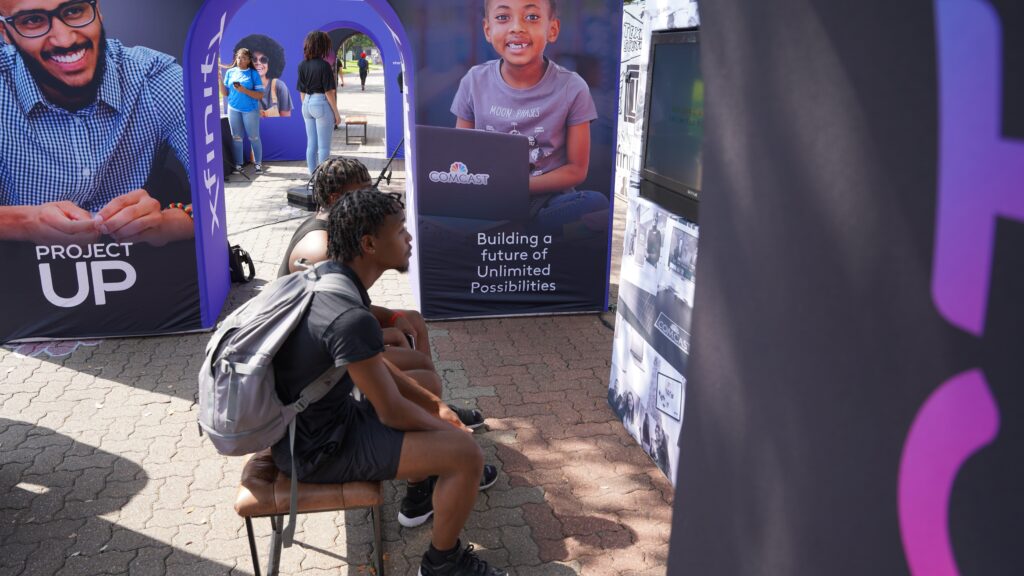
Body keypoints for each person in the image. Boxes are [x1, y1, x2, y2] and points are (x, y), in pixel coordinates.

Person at [273, 188, 507, 576]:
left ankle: (425, 490)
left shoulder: (329, 280)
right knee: (465, 455)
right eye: (400, 231)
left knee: (429, 398)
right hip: (316, 451)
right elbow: (392, 411)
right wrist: (453, 432)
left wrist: (439, 409)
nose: (409, 239)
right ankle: (442, 565)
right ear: (369, 244)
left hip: (316, 427)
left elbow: (377, 370)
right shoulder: (348, 314)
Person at [277, 156, 486, 427]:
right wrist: (386, 331)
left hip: (336, 335)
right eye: (364, 189)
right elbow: (332, 319)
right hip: (316, 357)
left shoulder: (340, 228)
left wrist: (392, 316)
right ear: (335, 196)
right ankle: (425, 415)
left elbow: (346, 306)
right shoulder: (320, 247)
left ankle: (431, 406)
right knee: (416, 362)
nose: (372, 195)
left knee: (413, 321)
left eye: (372, 187)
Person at [0, 0, 194, 246]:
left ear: (97, 11)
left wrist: (169, 223)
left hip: (146, 273)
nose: (65, 39)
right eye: (32, 20)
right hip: (19, 276)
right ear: (6, 32)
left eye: (73, 11)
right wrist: (22, 222)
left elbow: (221, 196)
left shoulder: (155, 77)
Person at [451, 0, 609, 234]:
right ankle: (520, 228)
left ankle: (514, 229)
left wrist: (516, 186)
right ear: (487, 30)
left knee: (595, 205)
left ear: (552, 29)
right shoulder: (474, 81)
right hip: (489, 197)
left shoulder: (573, 87)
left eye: (532, 17)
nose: (517, 27)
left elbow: (576, 170)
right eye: (503, 18)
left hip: (548, 200)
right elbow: (458, 158)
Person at [297, 31, 341, 175]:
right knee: (323, 147)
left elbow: (301, 91)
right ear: (323, 46)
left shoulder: (302, 65)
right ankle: (323, 180)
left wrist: (307, 106)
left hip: (306, 104)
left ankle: (313, 178)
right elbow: (329, 93)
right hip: (320, 103)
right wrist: (336, 113)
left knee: (311, 145)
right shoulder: (324, 66)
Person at [221, 47, 264, 173]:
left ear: (249, 60)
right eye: (239, 57)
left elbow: (260, 95)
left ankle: (258, 164)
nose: (240, 60)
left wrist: (243, 90)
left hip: (250, 110)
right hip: (233, 109)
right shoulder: (230, 72)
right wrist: (219, 79)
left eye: (244, 58)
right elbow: (225, 93)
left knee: (254, 137)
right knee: (237, 138)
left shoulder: (253, 73)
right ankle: (239, 165)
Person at [234, 34, 292, 118]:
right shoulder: (242, 87)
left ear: (270, 64)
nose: (258, 63)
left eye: (263, 59)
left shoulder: (279, 86)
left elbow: (286, 120)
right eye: (254, 59)